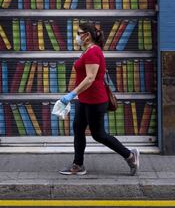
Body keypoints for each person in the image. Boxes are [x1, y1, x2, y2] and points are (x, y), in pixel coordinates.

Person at [58, 22, 140, 176]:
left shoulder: (93, 52)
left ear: (87, 35)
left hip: (95, 101)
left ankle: (130, 156)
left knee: (98, 134)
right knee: (78, 128)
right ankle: (78, 164)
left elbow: (90, 78)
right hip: (85, 99)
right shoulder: (87, 51)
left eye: (78, 33)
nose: (76, 36)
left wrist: (71, 94)